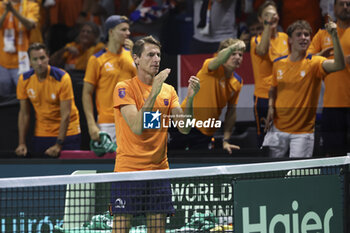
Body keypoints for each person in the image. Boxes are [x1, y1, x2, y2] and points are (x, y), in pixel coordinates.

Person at [111, 35, 200, 233]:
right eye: (150, 54)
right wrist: (154, 91)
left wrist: (191, 98)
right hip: (128, 172)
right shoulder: (124, 89)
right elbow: (136, 126)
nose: (156, 59)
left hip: (159, 171)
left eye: (158, 55)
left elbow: (184, 128)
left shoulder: (168, 91)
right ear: (136, 58)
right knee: (120, 230)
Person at [264, 19, 345, 158]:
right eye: (299, 34)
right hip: (277, 129)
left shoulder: (315, 63)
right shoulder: (278, 63)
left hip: (302, 134)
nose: (304, 38)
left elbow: (339, 65)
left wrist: (334, 36)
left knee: (298, 174)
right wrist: (271, 107)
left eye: (307, 35)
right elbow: (273, 89)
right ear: (290, 40)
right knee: (272, 172)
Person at [169, 38, 246, 154]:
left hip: (206, 133)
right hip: (183, 124)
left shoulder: (238, 81)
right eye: (233, 53)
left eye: (240, 54)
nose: (237, 57)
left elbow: (231, 113)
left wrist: (226, 140)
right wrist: (232, 47)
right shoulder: (210, 67)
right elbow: (218, 59)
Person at [15, 43, 81, 157]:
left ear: (48, 58)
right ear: (30, 61)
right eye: (35, 59)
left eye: (42, 58)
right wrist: (21, 143)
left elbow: (66, 114)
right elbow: (24, 114)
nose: (39, 63)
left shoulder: (62, 78)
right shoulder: (24, 80)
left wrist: (59, 144)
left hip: (69, 133)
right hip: (42, 133)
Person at [82, 15, 136, 143]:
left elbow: (145, 85)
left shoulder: (132, 56)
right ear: (111, 32)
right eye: (123, 30)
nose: (128, 33)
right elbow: (86, 93)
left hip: (132, 120)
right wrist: (91, 124)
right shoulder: (97, 59)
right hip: (107, 123)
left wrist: (136, 55)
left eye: (128, 30)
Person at [308, 0, 350, 156]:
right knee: (333, 154)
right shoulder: (323, 34)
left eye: (349, 4)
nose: (345, 7)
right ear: (334, 7)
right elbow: (307, 60)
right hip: (332, 104)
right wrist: (322, 57)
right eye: (342, 4)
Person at [250, 0, 289, 149]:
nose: (272, 17)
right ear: (261, 19)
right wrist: (267, 24)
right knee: (266, 140)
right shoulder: (256, 40)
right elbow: (262, 50)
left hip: (284, 96)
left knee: (285, 137)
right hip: (264, 98)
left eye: (274, 14)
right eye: (267, 15)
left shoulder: (285, 38)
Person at [0, 0, 39, 100]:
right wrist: (6, 11)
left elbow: (30, 25)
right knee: (3, 100)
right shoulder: (1, 5)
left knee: (24, 99)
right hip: (3, 63)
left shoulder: (31, 5)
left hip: (23, 63)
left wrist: (13, 11)